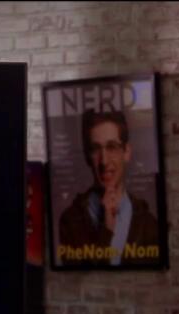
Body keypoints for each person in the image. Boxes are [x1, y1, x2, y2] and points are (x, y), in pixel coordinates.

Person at [56, 109, 160, 266]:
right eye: (96, 149)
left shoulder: (148, 223)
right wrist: (106, 231)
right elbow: (82, 279)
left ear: (127, 152)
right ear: (87, 157)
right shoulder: (70, 220)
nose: (104, 161)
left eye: (112, 147)